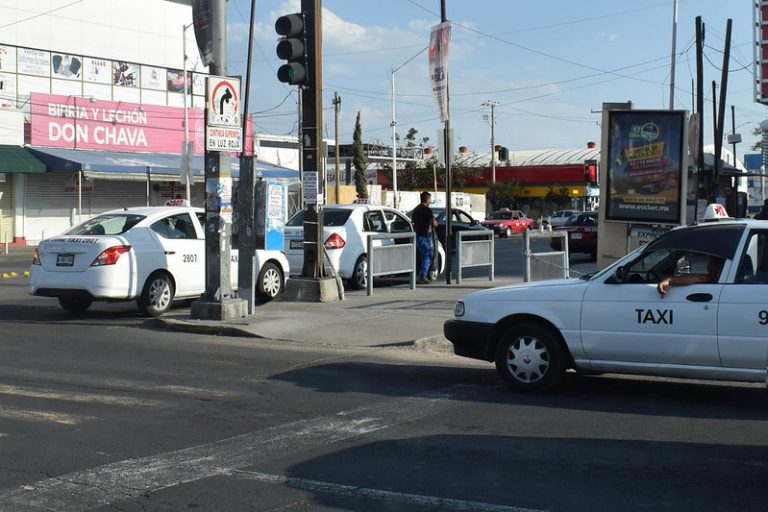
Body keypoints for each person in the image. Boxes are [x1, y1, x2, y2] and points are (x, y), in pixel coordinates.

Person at [657, 255, 724, 298]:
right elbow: (699, 277)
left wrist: (669, 281)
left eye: (711, 260)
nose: (708, 263)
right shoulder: (720, 276)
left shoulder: (716, 276)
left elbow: (699, 278)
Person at [412, 191, 438, 284]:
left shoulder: (416, 209)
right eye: (430, 199)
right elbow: (434, 223)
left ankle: (421, 274)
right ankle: (423, 275)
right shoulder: (427, 210)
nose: (430, 201)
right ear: (427, 199)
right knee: (427, 255)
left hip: (417, 235)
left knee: (423, 256)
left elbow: (412, 221)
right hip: (424, 236)